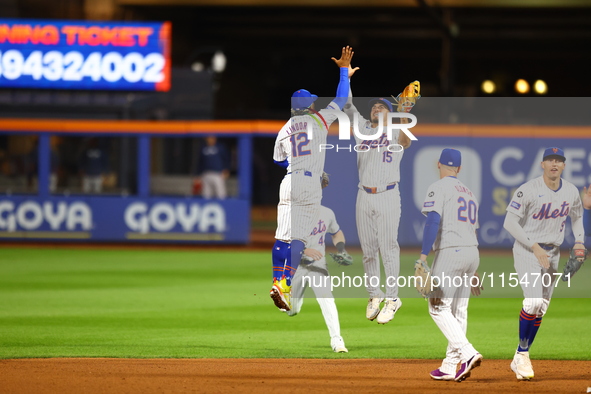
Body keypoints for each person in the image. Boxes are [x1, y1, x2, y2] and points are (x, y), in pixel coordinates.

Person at [269, 46, 354, 311]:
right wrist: (343, 72)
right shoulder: (318, 120)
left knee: (281, 238)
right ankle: (285, 283)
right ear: (309, 106)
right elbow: (341, 100)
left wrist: (297, 163)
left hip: (288, 181)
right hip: (308, 184)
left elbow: (278, 160)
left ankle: (276, 280)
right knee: (299, 240)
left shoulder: (284, 128)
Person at [502, 147, 585, 381]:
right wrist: (534, 246)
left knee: (542, 307)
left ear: (564, 166)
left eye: (559, 160)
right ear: (542, 164)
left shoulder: (570, 191)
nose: (554, 164)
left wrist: (579, 241)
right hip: (528, 250)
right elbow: (510, 222)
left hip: (553, 253)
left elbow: (577, 216)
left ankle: (520, 355)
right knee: (533, 301)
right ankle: (523, 353)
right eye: (550, 160)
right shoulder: (528, 189)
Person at [343, 74, 414, 324]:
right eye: (374, 106)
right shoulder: (362, 128)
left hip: (388, 194)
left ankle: (393, 298)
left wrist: (403, 114)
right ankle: (375, 295)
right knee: (369, 251)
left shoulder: (395, 130)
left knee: (388, 248)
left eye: (382, 106)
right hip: (364, 194)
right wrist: (345, 75)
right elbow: (347, 104)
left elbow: (405, 143)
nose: (376, 108)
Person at [418, 148, 483, 382]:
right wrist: (473, 268)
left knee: (437, 306)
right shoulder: (470, 193)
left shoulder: (439, 187)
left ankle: (468, 353)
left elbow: (433, 221)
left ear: (438, 164)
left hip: (450, 252)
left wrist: (423, 257)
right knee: (458, 310)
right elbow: (472, 229)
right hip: (471, 252)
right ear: (460, 168)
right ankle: (450, 365)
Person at [287, 203, 352, 353]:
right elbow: (283, 242)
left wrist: (341, 249)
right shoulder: (291, 213)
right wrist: (303, 249)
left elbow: (336, 233)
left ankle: (337, 340)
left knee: (326, 297)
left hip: (318, 265)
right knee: (291, 310)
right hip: (296, 265)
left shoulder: (327, 212)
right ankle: (293, 299)